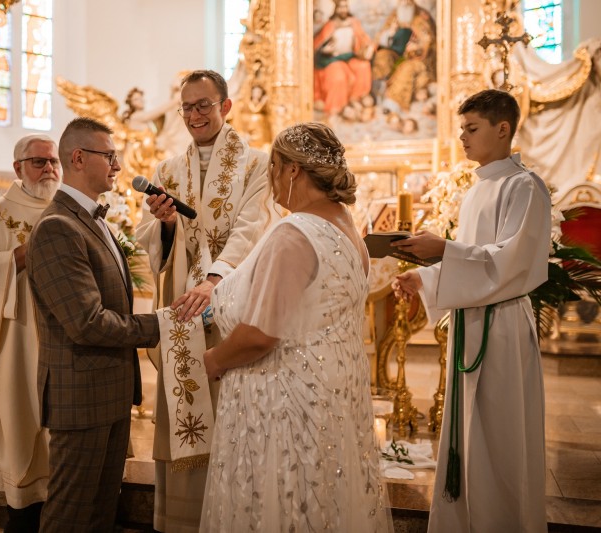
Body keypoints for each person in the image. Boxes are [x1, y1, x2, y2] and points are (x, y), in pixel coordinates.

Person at [200, 122, 391, 532]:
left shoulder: (294, 234)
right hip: (328, 400)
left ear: (292, 170)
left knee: (284, 505)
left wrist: (214, 359)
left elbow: (260, 334)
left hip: (282, 408)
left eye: (274, 166)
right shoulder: (349, 231)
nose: (270, 176)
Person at [391, 89, 550, 532]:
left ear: (503, 129)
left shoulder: (524, 186)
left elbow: (510, 262)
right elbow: (473, 259)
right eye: (461, 129)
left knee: (500, 434)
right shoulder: (477, 190)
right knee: (467, 431)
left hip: (503, 326)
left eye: (471, 128)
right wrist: (423, 277)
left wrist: (443, 249)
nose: (462, 137)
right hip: (472, 320)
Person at [135, 69, 275, 532]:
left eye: (204, 105)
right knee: (185, 408)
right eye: (187, 107)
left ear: (225, 106)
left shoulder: (258, 165)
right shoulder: (167, 171)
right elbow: (150, 240)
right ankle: (182, 520)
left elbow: (253, 227)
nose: (194, 115)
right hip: (183, 311)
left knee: (232, 414)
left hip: (232, 308)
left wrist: (214, 280)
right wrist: (165, 224)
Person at [27, 117, 161, 532]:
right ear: (79, 158)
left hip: (109, 393)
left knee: (101, 515)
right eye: (110, 155)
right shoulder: (57, 227)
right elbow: (86, 323)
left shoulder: (94, 219)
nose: (118, 165)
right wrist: (160, 325)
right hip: (81, 398)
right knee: (69, 516)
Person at [0, 134, 60, 532]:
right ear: (17, 167)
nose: (49, 169)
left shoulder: (68, 208)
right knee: (22, 415)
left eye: (53, 161)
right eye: (39, 162)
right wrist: (21, 254)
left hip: (66, 337)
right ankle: (23, 514)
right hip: (17, 340)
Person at [372, 0, 436, 112]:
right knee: (383, 56)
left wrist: (417, 47)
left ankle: (393, 104)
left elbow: (429, 41)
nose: (404, 2)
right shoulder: (395, 14)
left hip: (419, 59)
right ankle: (378, 96)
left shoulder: (422, 16)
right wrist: (390, 33)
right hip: (397, 55)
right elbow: (381, 37)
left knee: (407, 68)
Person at [313, 0, 373, 118]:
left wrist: (368, 47)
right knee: (338, 76)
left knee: (363, 66)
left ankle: (356, 99)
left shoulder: (354, 22)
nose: (343, 10)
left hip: (350, 56)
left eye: (345, 7)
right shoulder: (330, 25)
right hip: (333, 59)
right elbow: (317, 44)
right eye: (340, 7)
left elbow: (364, 38)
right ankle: (337, 108)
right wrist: (324, 50)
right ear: (336, 9)